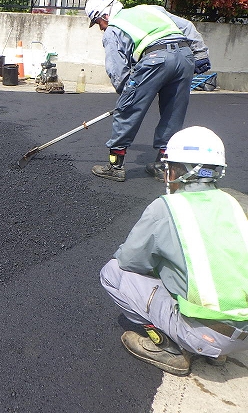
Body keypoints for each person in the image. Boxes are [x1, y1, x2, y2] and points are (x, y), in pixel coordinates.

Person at [100, 126, 248, 376]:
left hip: (207, 335)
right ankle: (218, 355)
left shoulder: (167, 207)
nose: (167, 173)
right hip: (243, 332)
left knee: (112, 273)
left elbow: (130, 261)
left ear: (181, 170)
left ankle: (171, 350)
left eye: (170, 167)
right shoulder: (232, 204)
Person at [84, 0, 211, 182]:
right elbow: (187, 26)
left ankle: (115, 166)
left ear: (105, 15)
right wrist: (200, 55)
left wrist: (128, 96)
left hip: (155, 59)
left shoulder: (113, 29)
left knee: (126, 111)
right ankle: (163, 165)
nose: (101, 28)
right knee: (173, 112)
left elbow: (117, 70)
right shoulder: (151, 9)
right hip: (185, 56)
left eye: (98, 22)